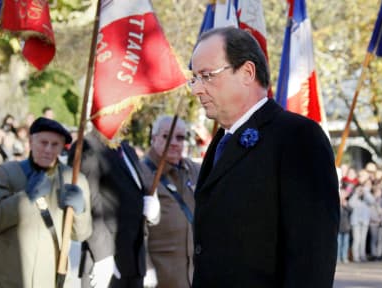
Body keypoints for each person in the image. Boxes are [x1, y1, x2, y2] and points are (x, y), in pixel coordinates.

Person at [188, 27, 339, 287]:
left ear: (247, 72)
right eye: (195, 78)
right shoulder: (221, 143)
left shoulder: (297, 137)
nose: (196, 89)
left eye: (206, 76)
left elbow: (311, 257)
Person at [0, 117, 92, 288]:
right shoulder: (6, 173)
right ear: (31, 141)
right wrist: (26, 197)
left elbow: (81, 234)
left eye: (55, 144)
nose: (48, 149)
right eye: (43, 142)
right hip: (10, 279)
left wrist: (80, 211)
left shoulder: (73, 179)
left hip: (53, 279)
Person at [68, 129, 160, 288]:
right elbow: (89, 203)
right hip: (106, 261)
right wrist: (102, 255)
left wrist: (154, 212)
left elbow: (137, 193)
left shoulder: (126, 149)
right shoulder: (88, 146)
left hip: (134, 261)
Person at [141, 116, 200, 288]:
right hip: (160, 277)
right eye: (167, 137)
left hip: (191, 276)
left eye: (180, 137)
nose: (174, 143)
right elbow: (130, 231)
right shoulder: (141, 174)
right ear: (154, 138)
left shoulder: (193, 170)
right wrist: (145, 267)